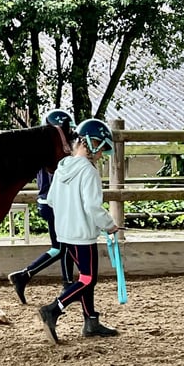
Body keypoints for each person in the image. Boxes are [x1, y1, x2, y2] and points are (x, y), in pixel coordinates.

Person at [37, 118, 120, 344]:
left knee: (84, 276)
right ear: (90, 143)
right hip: (82, 235)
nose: (102, 153)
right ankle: (54, 309)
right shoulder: (89, 172)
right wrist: (109, 225)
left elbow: (52, 200)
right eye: (101, 147)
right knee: (88, 278)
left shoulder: (62, 168)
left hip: (65, 233)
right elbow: (93, 207)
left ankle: (91, 321)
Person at [7, 109, 76, 304]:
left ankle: (63, 282)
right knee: (61, 247)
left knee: (62, 246)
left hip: (46, 201)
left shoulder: (42, 147)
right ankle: (27, 276)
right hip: (53, 202)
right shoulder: (56, 150)